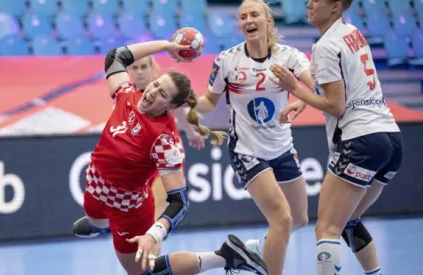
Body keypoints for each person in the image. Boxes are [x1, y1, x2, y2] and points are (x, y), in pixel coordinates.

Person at [75, 39, 267, 275]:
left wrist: (153, 233)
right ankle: (99, 225)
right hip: (95, 187)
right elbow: (115, 56)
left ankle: (226, 256)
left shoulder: (162, 142)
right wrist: (166, 46)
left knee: (144, 272)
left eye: (161, 93)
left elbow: (180, 201)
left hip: (128, 211)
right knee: (95, 218)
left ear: (171, 106)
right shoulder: (126, 95)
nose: (152, 93)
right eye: (155, 85)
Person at [269, 1, 404, 274]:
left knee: (327, 227)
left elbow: (336, 105)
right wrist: (304, 101)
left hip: (360, 139)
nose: (308, 3)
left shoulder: (325, 45)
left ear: (335, 6)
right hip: (390, 139)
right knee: (349, 219)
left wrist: (293, 87)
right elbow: (343, 87)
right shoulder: (352, 32)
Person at [195, 0, 314, 274]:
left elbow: (314, 88)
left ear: (268, 20)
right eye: (243, 16)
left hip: (282, 147)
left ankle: (256, 250)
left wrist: (300, 100)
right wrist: (183, 101)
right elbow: (208, 103)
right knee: (282, 220)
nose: (248, 20)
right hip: (247, 150)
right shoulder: (227, 60)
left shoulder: (290, 57)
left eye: (254, 15)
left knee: (299, 219)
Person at [73, 55, 205, 258]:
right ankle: (102, 223)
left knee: (154, 214)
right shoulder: (128, 94)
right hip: (136, 162)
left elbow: (179, 112)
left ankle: (151, 259)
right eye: (135, 67)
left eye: (144, 67)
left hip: (162, 161)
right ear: (130, 71)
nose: (140, 71)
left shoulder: (165, 93)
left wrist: (191, 131)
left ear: (154, 70)